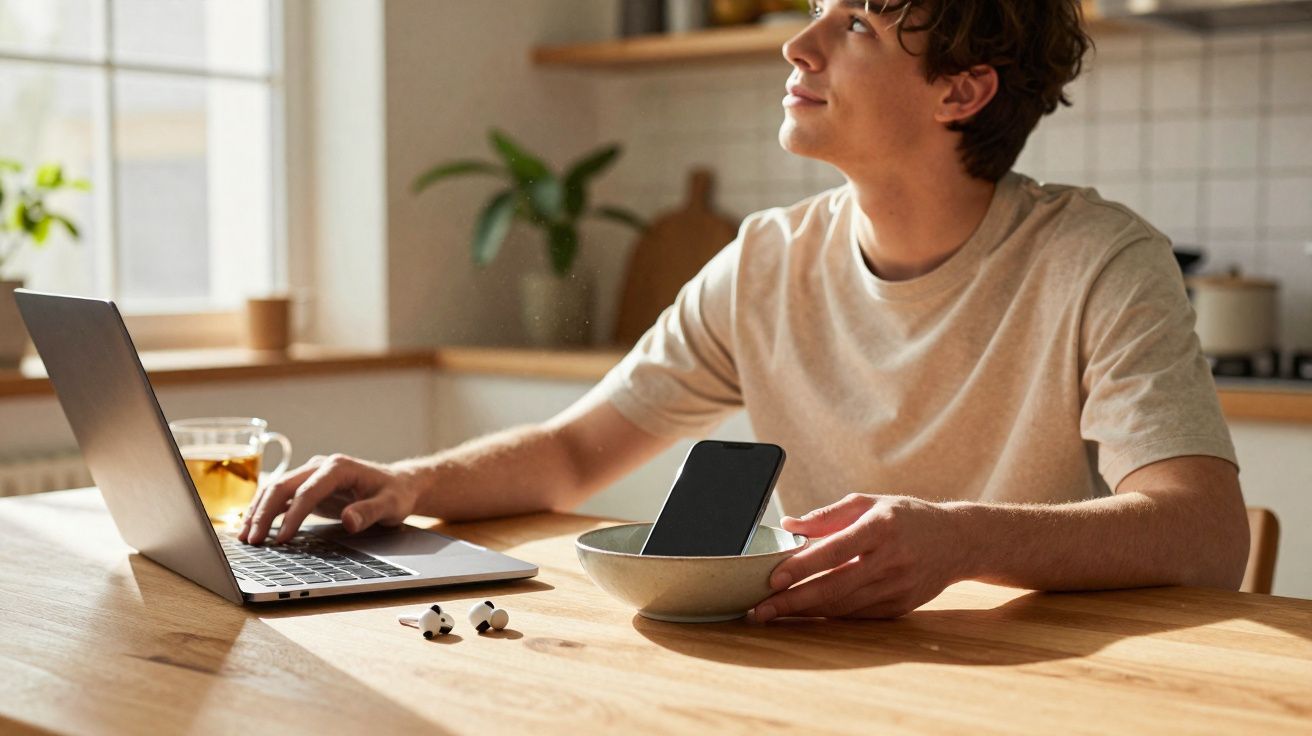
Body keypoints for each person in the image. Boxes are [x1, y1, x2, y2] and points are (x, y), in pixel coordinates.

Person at [241, 0, 1249, 620]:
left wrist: (961, 538)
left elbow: (1203, 536)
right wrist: (402, 483)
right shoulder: (767, 258)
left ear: (962, 90)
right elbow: (569, 454)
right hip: (807, 674)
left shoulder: (1099, 258)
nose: (798, 46)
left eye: (854, 21)